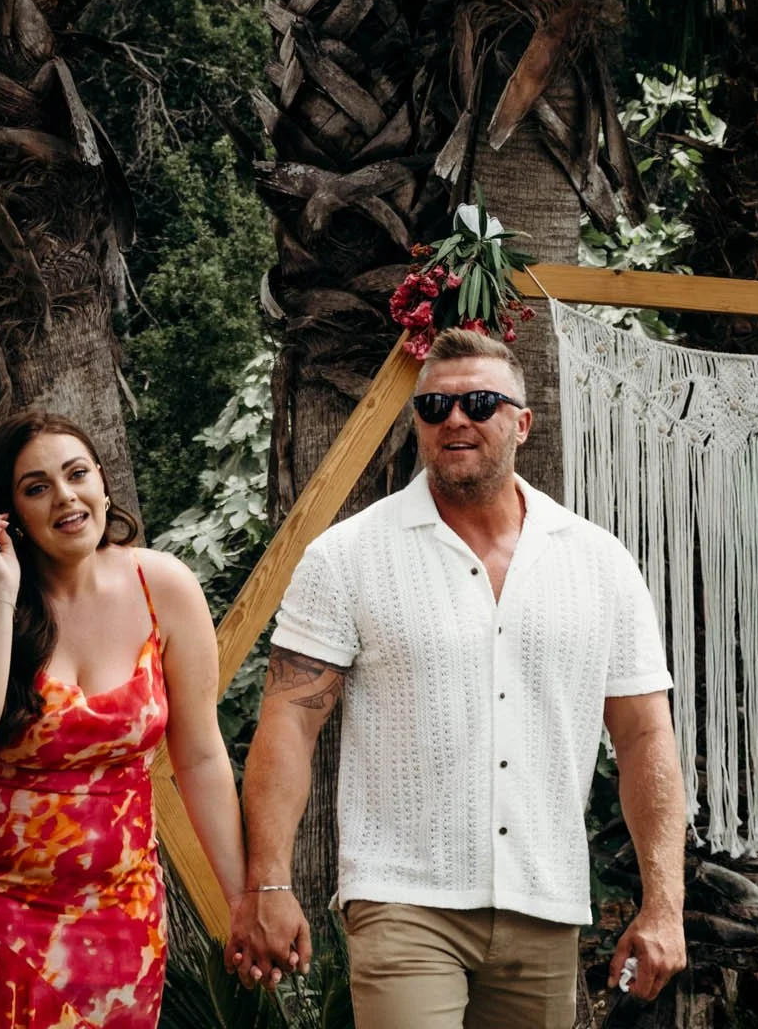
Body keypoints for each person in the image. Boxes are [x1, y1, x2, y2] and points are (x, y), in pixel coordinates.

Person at [228, 327, 687, 1026]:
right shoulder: (346, 557)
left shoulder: (598, 562)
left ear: (522, 423)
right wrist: (267, 882)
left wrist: (663, 905)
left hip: (544, 901)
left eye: (478, 401)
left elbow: (645, 739)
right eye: (433, 407)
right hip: (402, 899)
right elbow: (289, 720)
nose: (455, 419)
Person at [0, 409, 248, 1028]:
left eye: (77, 475)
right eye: (36, 487)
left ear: (103, 483)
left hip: (119, 904)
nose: (65, 497)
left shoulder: (163, 586)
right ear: (8, 512)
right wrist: (2, 594)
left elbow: (201, 756)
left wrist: (241, 899)